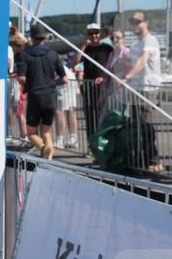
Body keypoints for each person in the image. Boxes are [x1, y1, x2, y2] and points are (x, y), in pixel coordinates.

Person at [15, 22, 66, 160]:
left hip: (36, 96)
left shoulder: (24, 55)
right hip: (51, 96)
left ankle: (44, 148)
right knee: (46, 131)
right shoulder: (53, 54)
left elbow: (22, 79)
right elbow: (65, 79)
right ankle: (48, 160)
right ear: (44, 37)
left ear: (31, 37)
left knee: (31, 133)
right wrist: (50, 83)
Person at [122, 11, 163, 172]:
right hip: (136, 88)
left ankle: (155, 160)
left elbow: (142, 61)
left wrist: (127, 76)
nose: (135, 25)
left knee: (146, 125)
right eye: (133, 22)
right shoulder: (136, 44)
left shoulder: (150, 40)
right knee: (136, 126)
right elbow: (127, 61)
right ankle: (141, 159)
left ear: (146, 23)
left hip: (148, 88)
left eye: (138, 22)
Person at [77, 22, 113, 143]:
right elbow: (74, 63)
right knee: (90, 116)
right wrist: (82, 45)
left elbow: (113, 66)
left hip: (104, 87)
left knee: (103, 116)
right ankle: (91, 145)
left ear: (100, 33)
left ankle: (103, 143)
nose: (94, 36)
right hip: (88, 87)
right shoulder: (85, 48)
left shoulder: (107, 48)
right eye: (91, 33)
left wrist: (104, 77)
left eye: (96, 33)